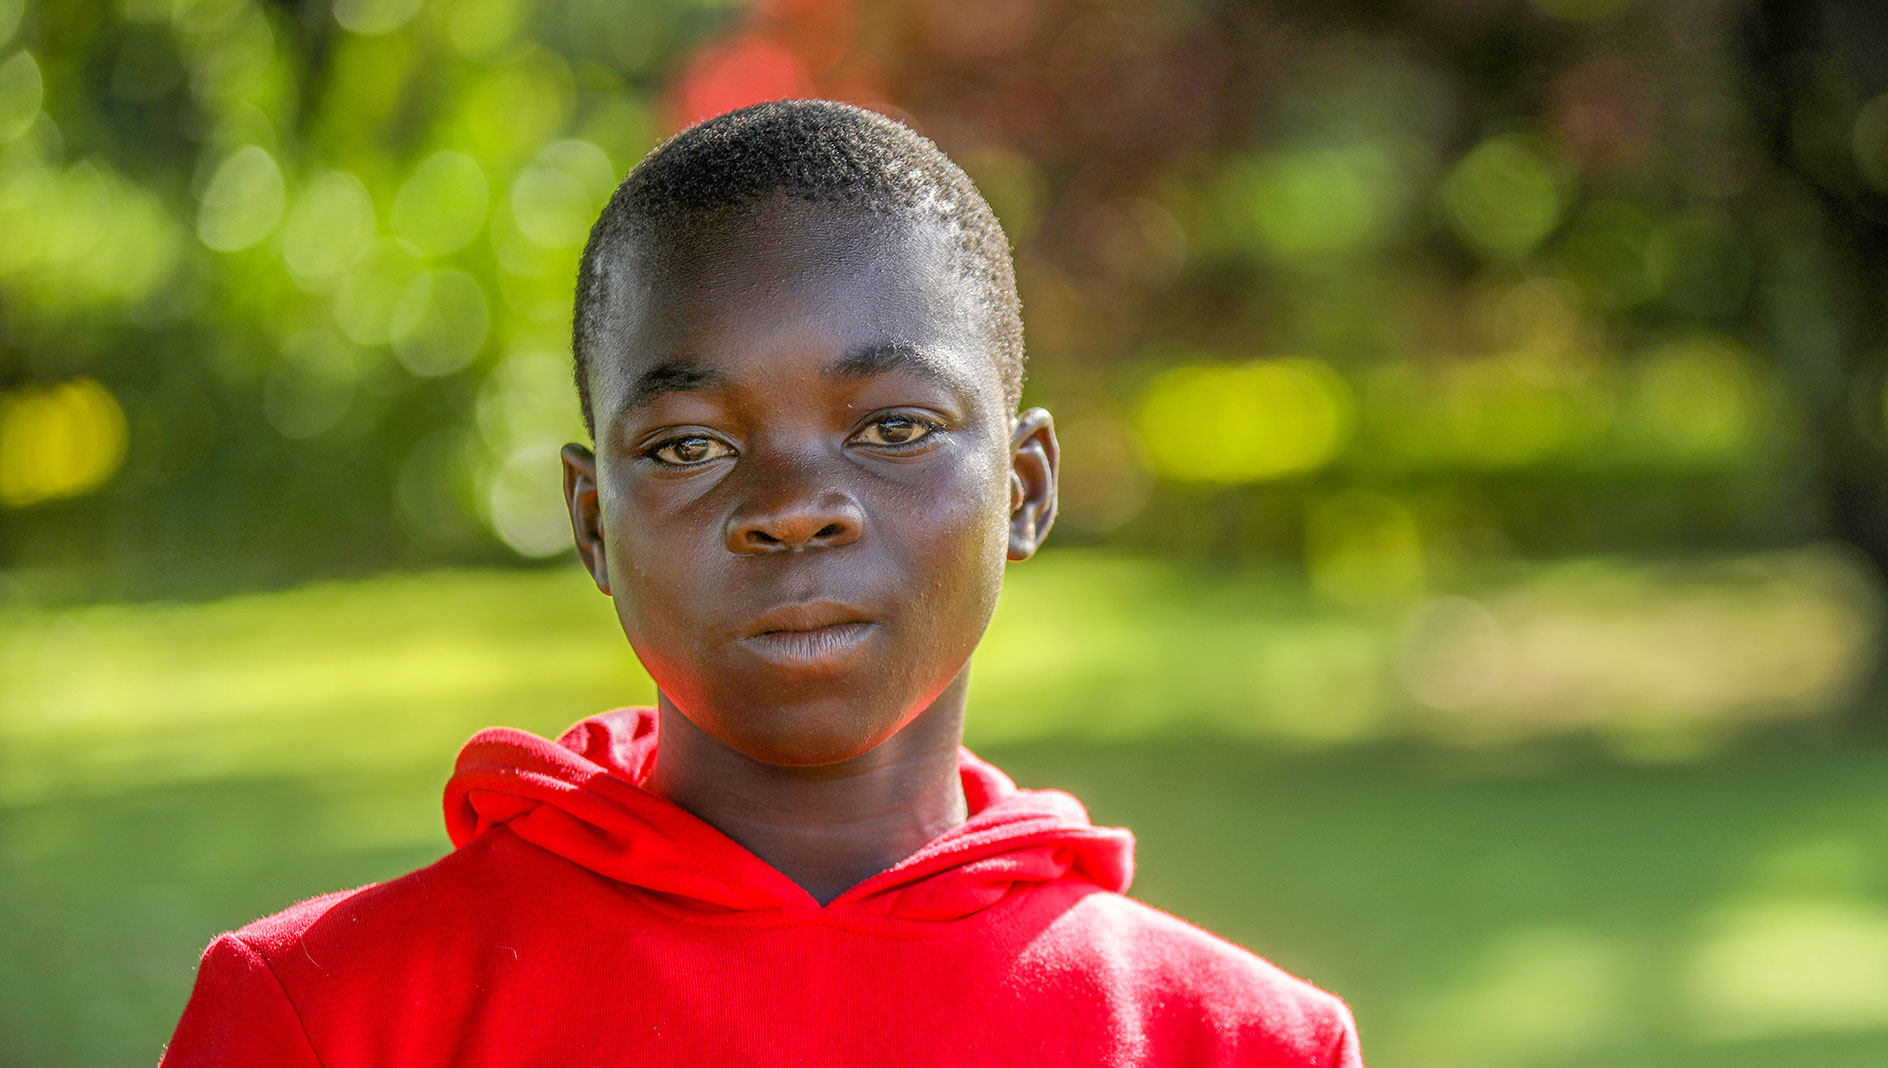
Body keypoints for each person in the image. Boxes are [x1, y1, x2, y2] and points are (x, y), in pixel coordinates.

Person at [159, 99, 1364, 1067]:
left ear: (1025, 489)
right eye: (690, 445)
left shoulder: (1239, 1043)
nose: (794, 505)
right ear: (591, 523)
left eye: (892, 428)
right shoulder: (330, 1016)